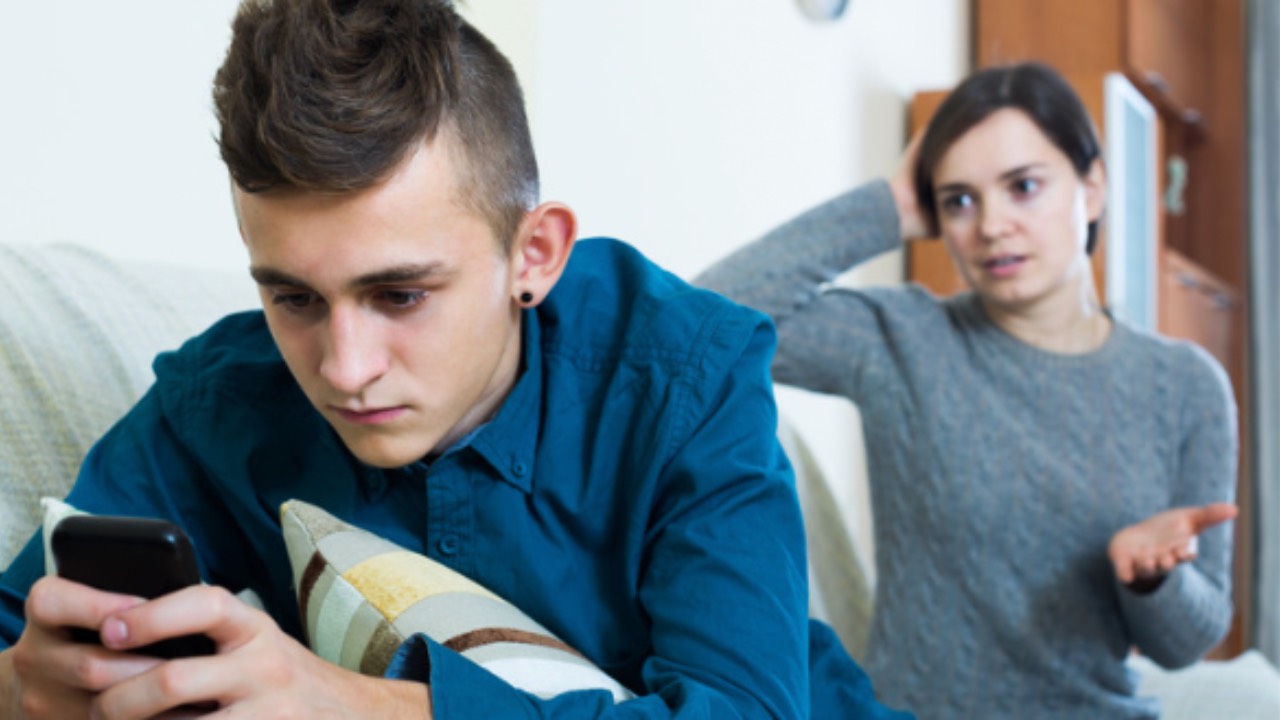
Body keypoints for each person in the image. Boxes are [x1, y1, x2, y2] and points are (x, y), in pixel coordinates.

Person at [0, 1, 911, 718]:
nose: (345, 368)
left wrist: (359, 708)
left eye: (400, 296)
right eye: (294, 298)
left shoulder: (687, 377)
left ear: (535, 255)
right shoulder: (224, 403)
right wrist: (23, 687)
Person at [696, 61, 1238, 719]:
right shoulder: (901, 339)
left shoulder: (1186, 385)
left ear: (1092, 187)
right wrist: (891, 206)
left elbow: (1189, 642)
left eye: (1024, 187)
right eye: (958, 199)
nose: (990, 225)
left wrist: (1157, 578)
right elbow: (710, 320)